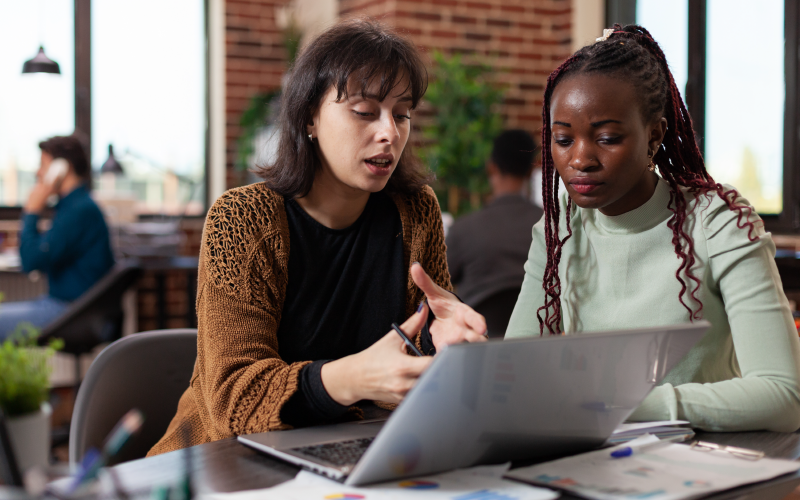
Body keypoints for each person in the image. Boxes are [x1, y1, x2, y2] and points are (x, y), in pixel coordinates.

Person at [148, 20, 487, 456]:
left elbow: (410, 344)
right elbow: (234, 400)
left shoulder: (416, 210)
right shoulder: (242, 219)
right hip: (222, 463)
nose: (390, 132)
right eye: (365, 112)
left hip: (353, 452)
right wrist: (353, 378)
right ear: (309, 116)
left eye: (402, 114)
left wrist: (439, 340)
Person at [505, 24, 800, 432]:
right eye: (562, 139)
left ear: (654, 136)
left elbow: (783, 396)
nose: (581, 159)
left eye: (607, 137)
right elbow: (516, 373)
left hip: (709, 469)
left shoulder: (719, 220)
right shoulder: (560, 224)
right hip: (590, 462)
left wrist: (618, 403)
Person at [0, 135, 115, 339]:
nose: (38, 172)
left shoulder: (79, 210)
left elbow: (30, 261)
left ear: (61, 168)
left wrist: (32, 211)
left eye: (43, 164)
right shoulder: (75, 206)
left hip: (71, 310)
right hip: (70, 306)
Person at [446, 130, 543, 337]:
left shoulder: (464, 230)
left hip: (476, 348)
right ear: (529, 172)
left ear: (492, 167)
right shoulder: (552, 228)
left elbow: (438, 286)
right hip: (537, 348)